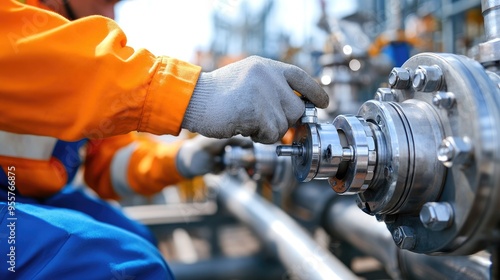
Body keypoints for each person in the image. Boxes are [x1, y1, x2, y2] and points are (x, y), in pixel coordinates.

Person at [0, 0, 329, 279]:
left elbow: (110, 161)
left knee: (136, 239)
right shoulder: (23, 26)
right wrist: (194, 93)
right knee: (123, 267)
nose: (110, 16)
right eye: (105, 0)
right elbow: (22, 55)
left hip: (24, 196)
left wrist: (182, 160)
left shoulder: (70, 49)